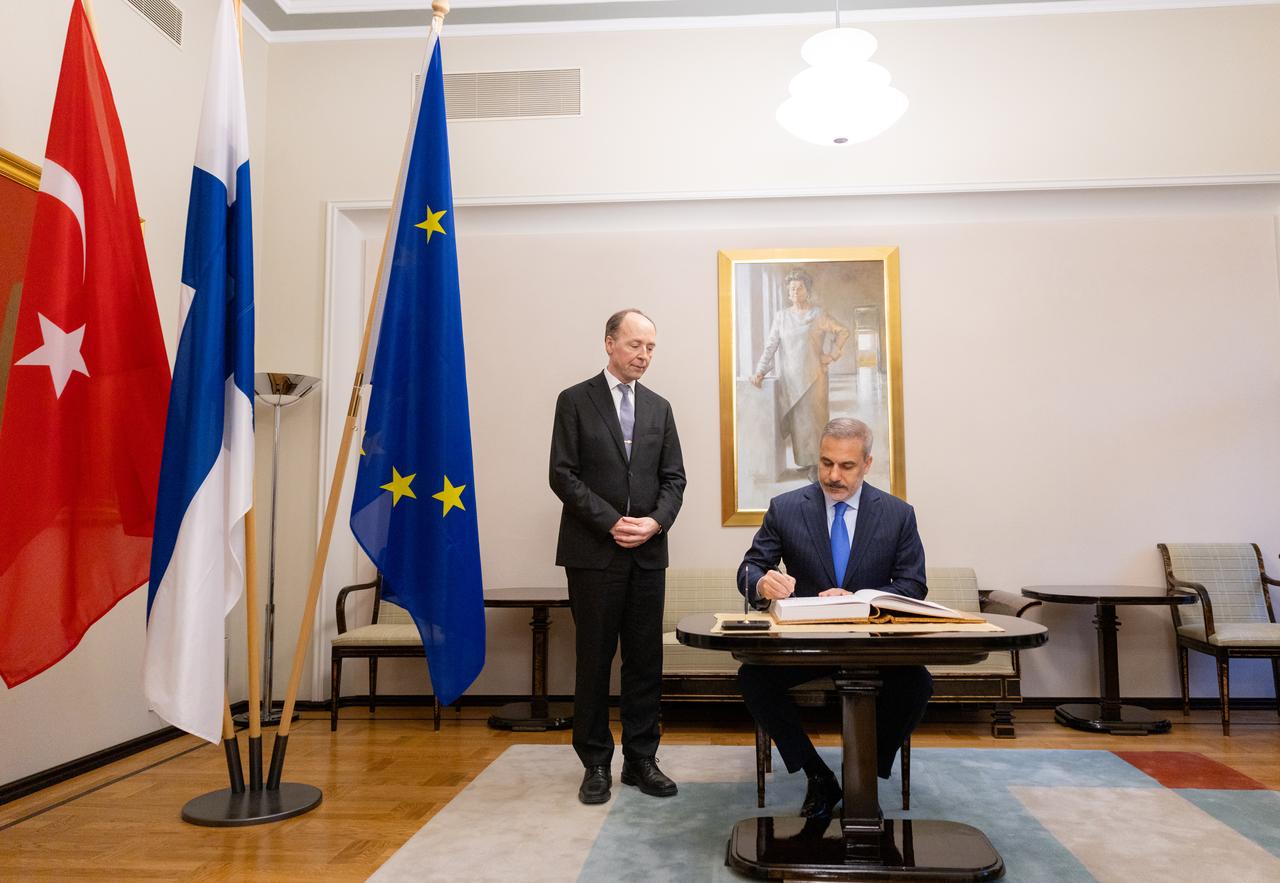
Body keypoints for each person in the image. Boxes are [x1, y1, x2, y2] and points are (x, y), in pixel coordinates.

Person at [736, 417, 930, 818]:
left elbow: (914, 586)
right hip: (808, 643)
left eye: (846, 466)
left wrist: (860, 598)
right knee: (753, 677)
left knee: (917, 684)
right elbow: (750, 568)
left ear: (867, 464)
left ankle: (861, 775)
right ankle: (818, 775)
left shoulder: (897, 514)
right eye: (826, 463)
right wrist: (762, 583)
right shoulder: (786, 508)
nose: (833, 475)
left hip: (875, 646)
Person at [549, 308, 686, 806]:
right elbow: (562, 476)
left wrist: (654, 522)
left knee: (645, 660)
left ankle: (641, 760)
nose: (643, 355)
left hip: (648, 554)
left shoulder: (660, 408)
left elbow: (675, 478)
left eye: (650, 347)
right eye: (634, 345)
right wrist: (611, 522)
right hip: (594, 553)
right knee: (593, 660)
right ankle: (595, 763)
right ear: (609, 343)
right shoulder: (574, 401)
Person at [751, 270, 850, 477]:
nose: (795, 291)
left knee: (816, 421)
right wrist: (760, 371)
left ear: (807, 290)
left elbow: (843, 331)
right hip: (791, 379)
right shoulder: (781, 317)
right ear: (788, 292)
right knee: (799, 424)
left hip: (815, 377)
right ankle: (806, 461)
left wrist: (832, 355)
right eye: (792, 288)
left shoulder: (818, 314)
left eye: (799, 287)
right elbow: (771, 346)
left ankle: (818, 464)